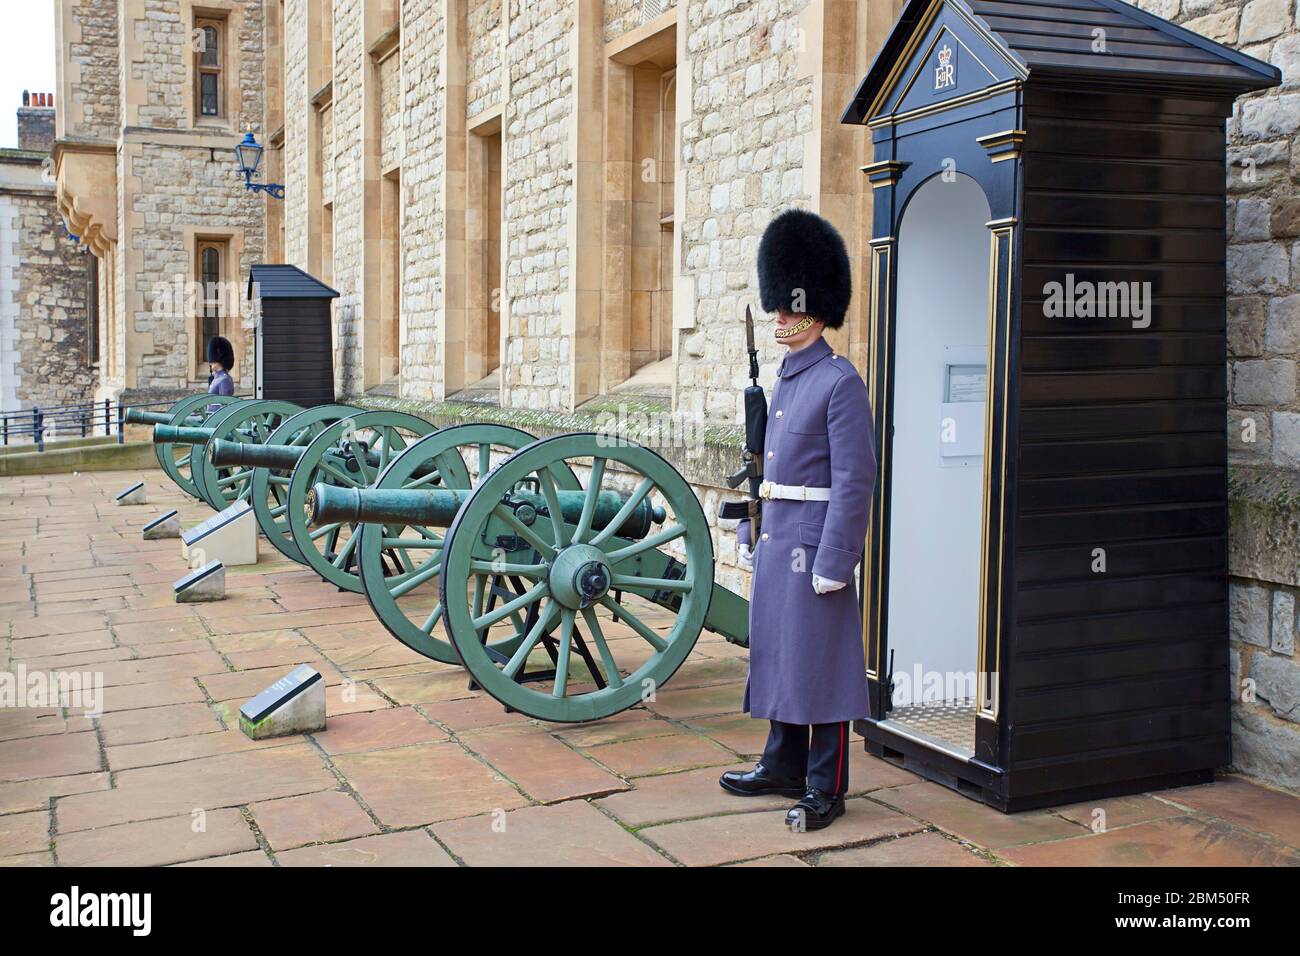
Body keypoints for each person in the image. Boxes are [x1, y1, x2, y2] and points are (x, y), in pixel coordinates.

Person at [719, 209, 877, 831]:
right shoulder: (784, 379)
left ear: (814, 311)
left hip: (816, 545)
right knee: (783, 653)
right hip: (781, 533)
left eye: (786, 308)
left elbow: (854, 480)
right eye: (777, 306)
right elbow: (764, 468)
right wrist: (749, 525)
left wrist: (837, 559)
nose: (777, 317)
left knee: (825, 662)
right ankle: (782, 762)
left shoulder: (840, 383)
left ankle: (825, 782)